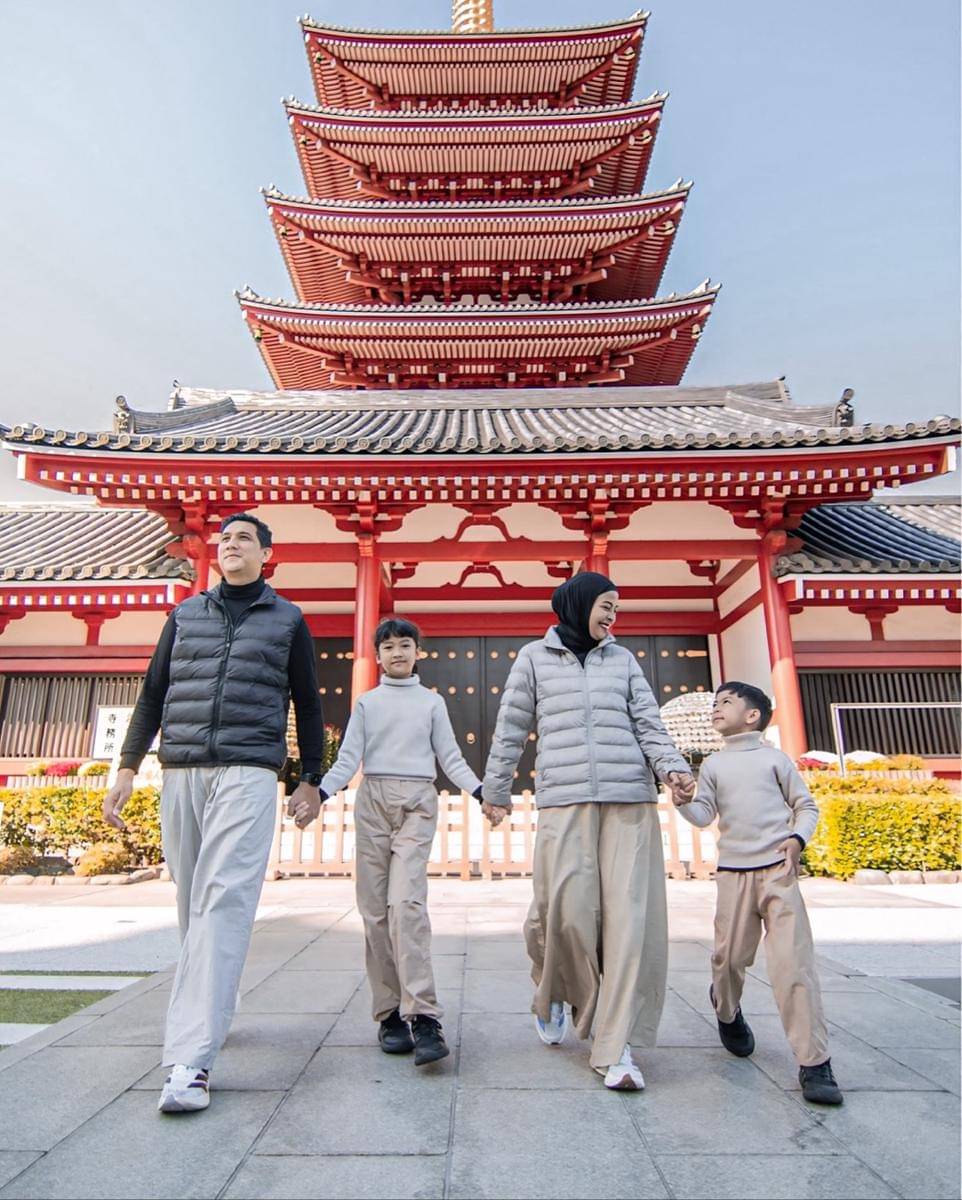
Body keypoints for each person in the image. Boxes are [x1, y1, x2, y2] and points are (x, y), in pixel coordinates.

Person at [102, 513, 325, 1114]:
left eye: (244, 538)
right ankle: (211, 1009)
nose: (230, 544)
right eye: (223, 538)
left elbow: (307, 699)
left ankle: (191, 1060)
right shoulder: (184, 615)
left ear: (267, 554)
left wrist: (310, 778)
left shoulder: (288, 620)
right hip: (181, 769)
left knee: (224, 897)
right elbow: (153, 693)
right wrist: (127, 766)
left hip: (249, 770)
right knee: (190, 899)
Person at [481, 572, 696, 1090]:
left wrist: (673, 769)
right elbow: (511, 725)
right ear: (576, 605)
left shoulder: (622, 661)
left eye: (616, 609)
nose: (611, 617)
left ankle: (612, 1043)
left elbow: (648, 722)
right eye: (605, 606)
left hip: (629, 802)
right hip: (565, 800)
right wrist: (495, 788)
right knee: (563, 915)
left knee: (627, 923)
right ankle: (552, 989)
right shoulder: (533, 657)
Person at [319, 617, 483, 1067]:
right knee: (374, 912)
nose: (396, 653)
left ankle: (425, 1015)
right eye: (387, 646)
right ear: (378, 654)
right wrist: (318, 794)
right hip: (372, 800)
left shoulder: (432, 704)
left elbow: (450, 756)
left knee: (406, 905)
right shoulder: (367, 703)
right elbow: (349, 756)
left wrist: (483, 792)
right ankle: (389, 1013)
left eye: (404, 645)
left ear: (417, 652)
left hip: (416, 801)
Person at [673, 681, 843, 1105]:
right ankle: (726, 1009)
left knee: (793, 965)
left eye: (726, 702)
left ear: (753, 715)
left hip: (778, 873)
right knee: (728, 959)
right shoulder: (712, 766)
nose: (716, 707)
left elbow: (806, 806)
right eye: (715, 702)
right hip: (734, 874)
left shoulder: (776, 760)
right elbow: (704, 815)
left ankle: (814, 1062)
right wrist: (681, 801)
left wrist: (797, 840)